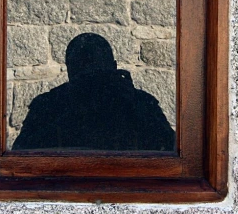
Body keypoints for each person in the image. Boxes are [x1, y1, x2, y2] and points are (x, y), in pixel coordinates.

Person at [12, 33, 175, 151]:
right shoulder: (50, 105)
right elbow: (22, 155)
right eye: (85, 71)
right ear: (114, 66)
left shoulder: (138, 102)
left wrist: (132, 105)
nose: (92, 79)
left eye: (95, 70)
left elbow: (168, 148)